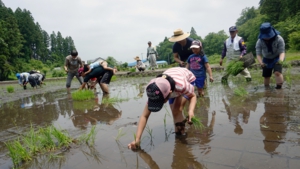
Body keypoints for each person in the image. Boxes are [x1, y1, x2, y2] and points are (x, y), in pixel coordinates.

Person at [128, 67, 197, 149]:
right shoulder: (153, 89)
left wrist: (191, 111)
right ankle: (179, 133)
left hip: (187, 79)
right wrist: (137, 139)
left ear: (170, 93)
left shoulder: (181, 86)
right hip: (169, 83)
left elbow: (193, 95)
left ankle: (181, 136)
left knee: (177, 109)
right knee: (174, 111)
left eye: (161, 101)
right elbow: (144, 116)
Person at [255, 22, 285, 89]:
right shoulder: (259, 41)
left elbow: (282, 52)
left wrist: (280, 61)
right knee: (266, 75)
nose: (266, 37)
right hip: (266, 58)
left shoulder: (279, 39)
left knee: (277, 72)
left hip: (277, 57)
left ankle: (279, 88)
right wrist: (261, 63)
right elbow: (258, 54)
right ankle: (267, 89)